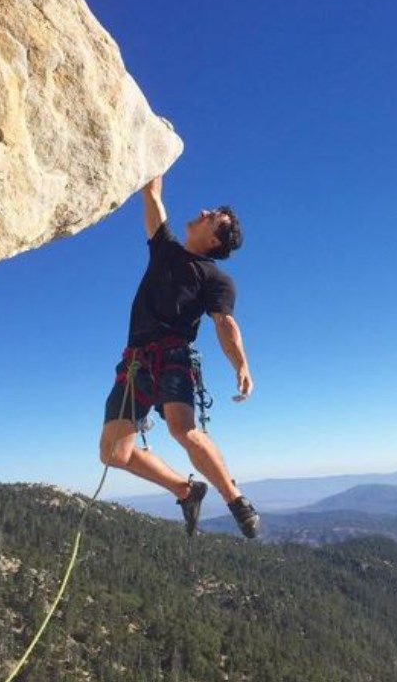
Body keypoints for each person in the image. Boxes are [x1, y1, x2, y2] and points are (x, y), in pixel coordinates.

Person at [97, 175, 260, 539]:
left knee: (181, 429)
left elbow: (224, 323)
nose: (203, 212)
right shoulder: (165, 249)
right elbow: (152, 194)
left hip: (172, 354)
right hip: (135, 359)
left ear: (215, 239)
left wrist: (241, 364)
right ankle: (185, 490)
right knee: (112, 453)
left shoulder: (216, 279)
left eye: (212, 217)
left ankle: (234, 499)